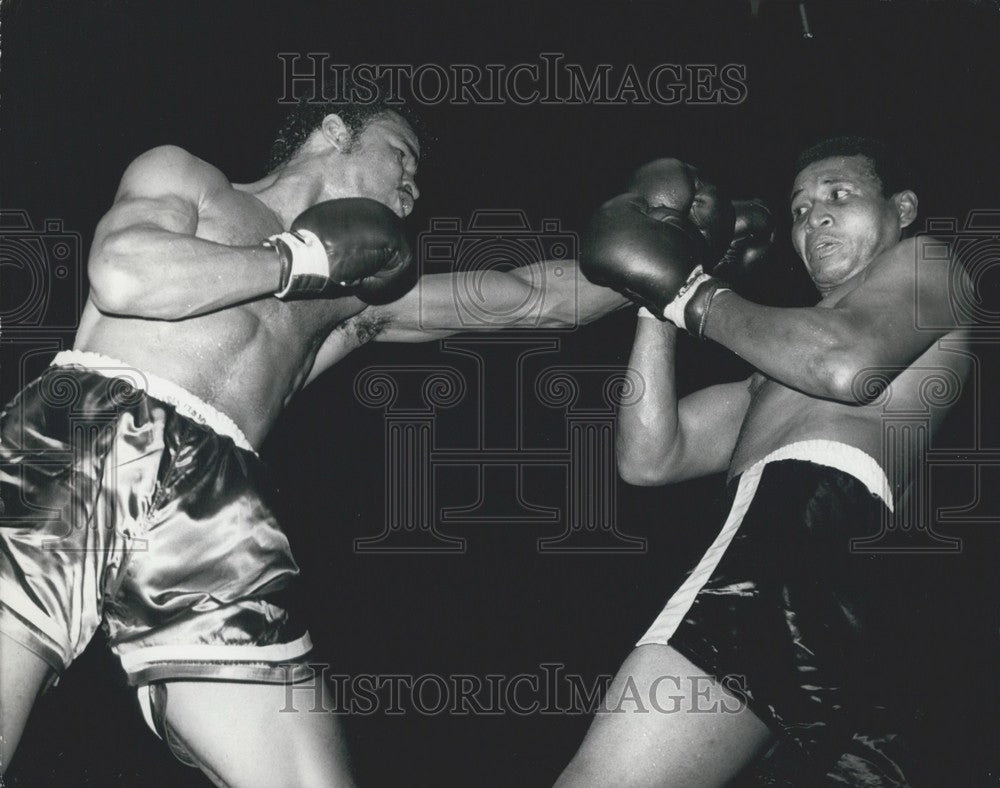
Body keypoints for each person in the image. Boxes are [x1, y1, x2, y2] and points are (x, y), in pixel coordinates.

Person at [0, 93, 634, 786]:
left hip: (220, 498)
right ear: (334, 131)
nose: (413, 187)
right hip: (93, 426)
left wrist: (671, 270)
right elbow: (125, 275)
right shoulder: (190, 179)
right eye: (402, 155)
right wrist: (300, 261)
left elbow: (527, 299)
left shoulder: (353, 298)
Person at [556, 137, 973, 786]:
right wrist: (656, 305)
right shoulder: (769, 374)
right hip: (860, 613)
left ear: (904, 208)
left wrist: (693, 294)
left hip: (788, 551)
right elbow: (649, 456)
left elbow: (844, 363)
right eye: (801, 210)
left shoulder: (933, 265)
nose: (817, 218)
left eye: (840, 195)